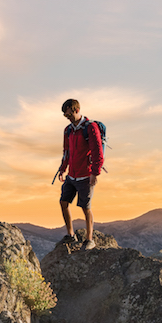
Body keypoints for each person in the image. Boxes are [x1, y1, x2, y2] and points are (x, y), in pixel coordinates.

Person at [52, 98, 103, 249]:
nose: (67, 118)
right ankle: (70, 235)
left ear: (76, 110)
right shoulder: (68, 130)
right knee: (63, 202)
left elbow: (97, 152)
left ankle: (89, 240)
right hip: (71, 176)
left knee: (85, 207)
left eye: (68, 115)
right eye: (65, 116)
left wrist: (95, 173)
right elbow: (66, 152)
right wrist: (62, 169)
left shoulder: (90, 128)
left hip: (85, 176)